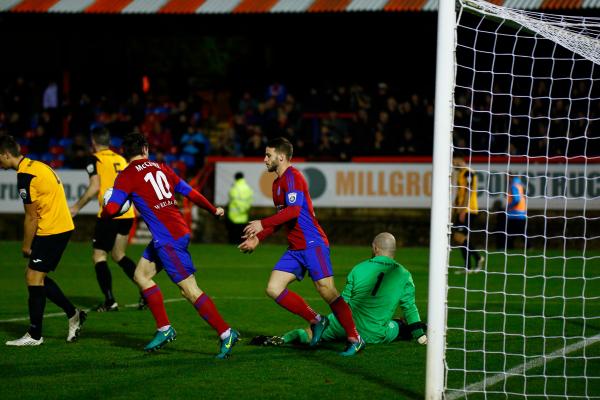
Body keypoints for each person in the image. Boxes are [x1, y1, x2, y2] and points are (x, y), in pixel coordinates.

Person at [102, 133, 239, 358]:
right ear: (145, 149)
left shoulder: (126, 176)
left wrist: (110, 202)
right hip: (173, 233)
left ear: (125, 155)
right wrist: (213, 210)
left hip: (168, 239)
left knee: (189, 290)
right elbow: (190, 192)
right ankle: (164, 329)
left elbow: (110, 210)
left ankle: (226, 333)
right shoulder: (162, 168)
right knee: (141, 276)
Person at [239, 137, 365, 356]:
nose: (265, 159)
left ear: (281, 156)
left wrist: (262, 223)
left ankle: (355, 337)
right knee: (273, 288)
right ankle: (316, 320)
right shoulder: (277, 184)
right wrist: (259, 238)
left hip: (313, 243)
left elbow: (294, 211)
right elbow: (282, 218)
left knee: (327, 290)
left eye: (268, 155)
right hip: (296, 247)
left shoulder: (293, 177)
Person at [251, 233, 428, 347]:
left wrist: (337, 322)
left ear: (375, 248)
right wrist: (420, 335)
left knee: (310, 332)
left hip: (343, 326)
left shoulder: (359, 268)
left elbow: (343, 301)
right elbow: (410, 307)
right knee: (399, 324)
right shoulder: (404, 274)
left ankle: (284, 338)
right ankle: (418, 332)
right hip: (373, 333)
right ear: (394, 251)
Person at [0, 135, 86, 346]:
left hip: (53, 229)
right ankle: (73, 314)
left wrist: (26, 245)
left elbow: (31, 217)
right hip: (57, 226)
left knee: (33, 278)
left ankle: (35, 335)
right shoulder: (36, 165)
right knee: (34, 276)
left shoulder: (25, 176)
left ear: (6, 154)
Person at [70, 127, 140, 312]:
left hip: (110, 214)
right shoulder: (121, 159)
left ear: (93, 142)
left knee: (99, 256)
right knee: (119, 255)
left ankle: (110, 301)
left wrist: (76, 207)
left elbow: (94, 187)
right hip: (127, 213)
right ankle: (146, 291)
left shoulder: (95, 158)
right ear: (109, 142)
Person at [452, 155, 484, 273]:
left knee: (459, 237)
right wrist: (455, 205)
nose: (453, 164)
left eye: (454, 161)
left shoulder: (468, 173)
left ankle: (473, 262)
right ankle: (472, 263)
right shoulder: (461, 173)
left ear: (460, 160)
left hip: (469, 210)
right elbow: (461, 192)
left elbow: (468, 191)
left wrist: (463, 209)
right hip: (463, 209)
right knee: (460, 238)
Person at [225, 172, 254, 244]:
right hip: (244, 216)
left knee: (233, 238)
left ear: (235, 178)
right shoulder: (248, 188)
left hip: (233, 216)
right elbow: (250, 200)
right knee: (242, 237)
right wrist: (244, 208)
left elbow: (232, 198)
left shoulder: (234, 188)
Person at [506, 174, 527, 249]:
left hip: (514, 213)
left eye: (507, 178)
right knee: (519, 231)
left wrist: (509, 206)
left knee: (512, 232)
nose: (506, 180)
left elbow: (516, 199)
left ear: (510, 177)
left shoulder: (513, 185)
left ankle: (510, 247)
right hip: (521, 212)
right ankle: (510, 247)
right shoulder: (519, 184)